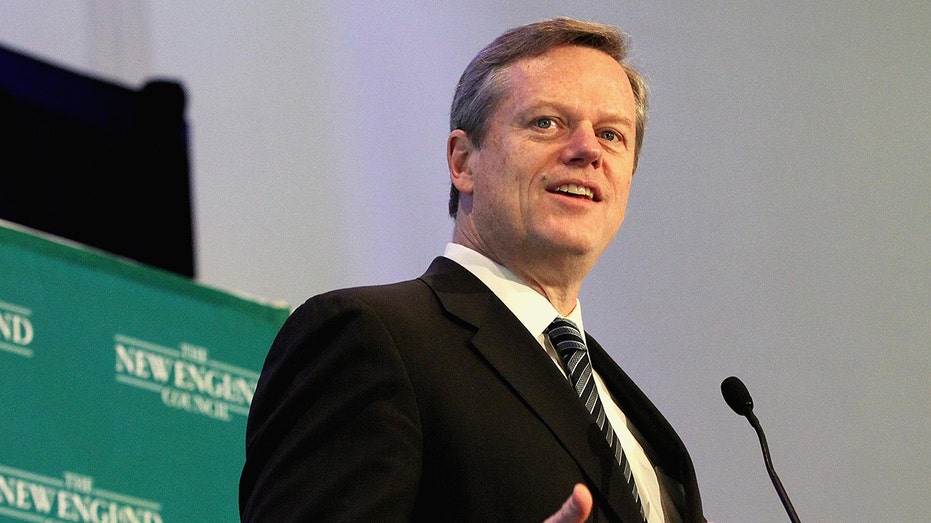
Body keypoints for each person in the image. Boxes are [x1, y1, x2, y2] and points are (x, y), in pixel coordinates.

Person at [239, 17, 705, 522]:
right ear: (463, 162)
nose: (588, 150)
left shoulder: (642, 429)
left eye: (612, 135)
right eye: (546, 122)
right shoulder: (371, 336)